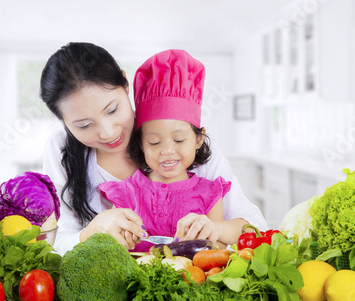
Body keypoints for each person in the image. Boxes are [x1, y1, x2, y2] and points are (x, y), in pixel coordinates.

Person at [40, 42, 267, 255]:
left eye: (112, 110)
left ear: (125, 85)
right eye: (84, 125)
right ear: (63, 121)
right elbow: (53, 240)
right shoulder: (61, 150)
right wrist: (89, 233)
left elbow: (255, 227)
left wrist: (215, 229)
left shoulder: (186, 141)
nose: (108, 132)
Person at [99, 49, 243, 252]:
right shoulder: (126, 193)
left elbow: (218, 249)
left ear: (198, 139)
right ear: (141, 144)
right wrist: (123, 239)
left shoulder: (209, 193)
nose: (166, 151)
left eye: (178, 139)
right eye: (155, 142)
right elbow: (112, 245)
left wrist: (213, 231)